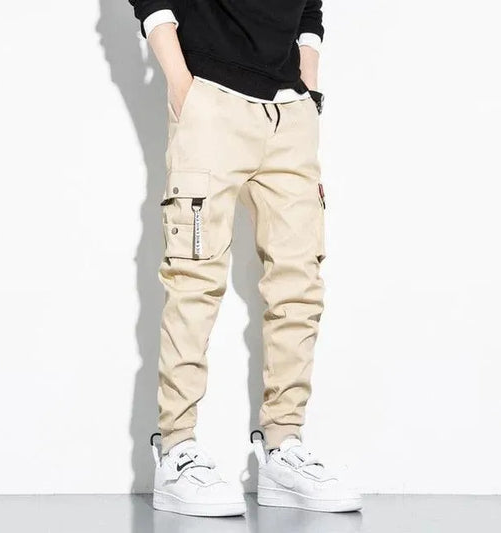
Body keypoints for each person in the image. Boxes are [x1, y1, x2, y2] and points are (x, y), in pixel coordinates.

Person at [128, 0, 362, 517]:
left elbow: (310, 8)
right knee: (194, 278)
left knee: (300, 283)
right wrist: (181, 84)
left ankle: (283, 446)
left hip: (291, 112)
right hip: (210, 99)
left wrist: (309, 89)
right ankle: (177, 447)